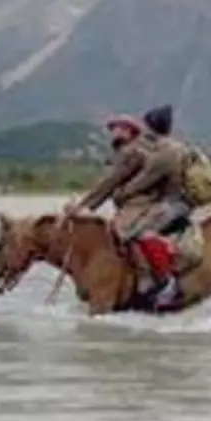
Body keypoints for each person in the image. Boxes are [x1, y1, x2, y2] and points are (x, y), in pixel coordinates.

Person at [64, 112, 189, 309]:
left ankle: (154, 277)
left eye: (119, 128)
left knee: (123, 230)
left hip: (141, 202)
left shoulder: (131, 152)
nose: (114, 131)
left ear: (130, 131)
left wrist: (83, 206)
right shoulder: (131, 151)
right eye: (113, 128)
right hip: (134, 202)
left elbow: (110, 182)